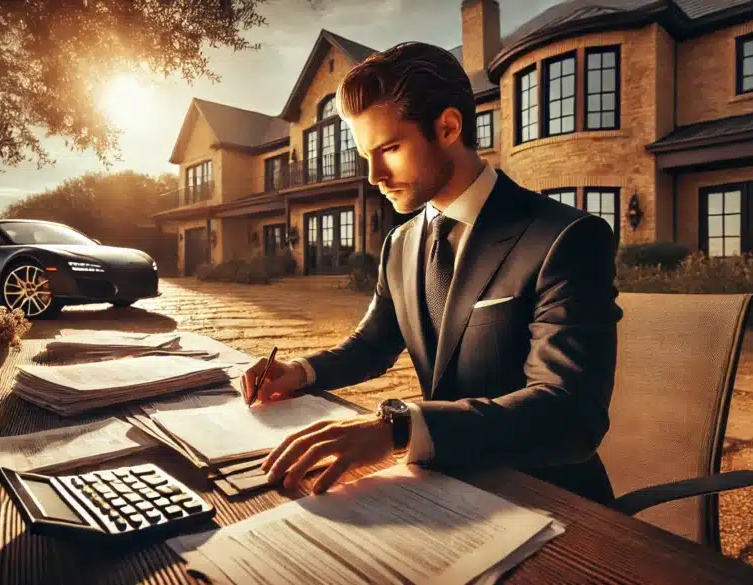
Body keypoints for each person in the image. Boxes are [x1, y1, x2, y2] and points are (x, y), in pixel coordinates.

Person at [240, 41, 624, 503]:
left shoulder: (566, 237)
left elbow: (570, 414)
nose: (374, 175)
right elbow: (373, 344)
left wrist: (400, 428)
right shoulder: (401, 243)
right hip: (442, 490)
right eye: (366, 156)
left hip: (550, 501)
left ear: (447, 127)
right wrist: (298, 372)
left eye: (391, 148)